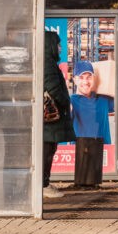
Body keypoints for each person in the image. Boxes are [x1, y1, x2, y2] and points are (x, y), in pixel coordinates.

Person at [43, 31, 76, 198]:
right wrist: (65, 101)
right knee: (47, 149)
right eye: (57, 44)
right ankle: (43, 184)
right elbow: (53, 88)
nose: (60, 47)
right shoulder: (47, 63)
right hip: (50, 117)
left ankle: (45, 182)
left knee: (49, 148)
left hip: (50, 119)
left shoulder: (48, 62)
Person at [70, 60, 114, 187]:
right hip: (80, 158)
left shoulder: (104, 100)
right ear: (75, 80)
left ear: (94, 79)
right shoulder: (72, 101)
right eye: (81, 78)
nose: (85, 82)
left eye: (89, 77)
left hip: (102, 156)